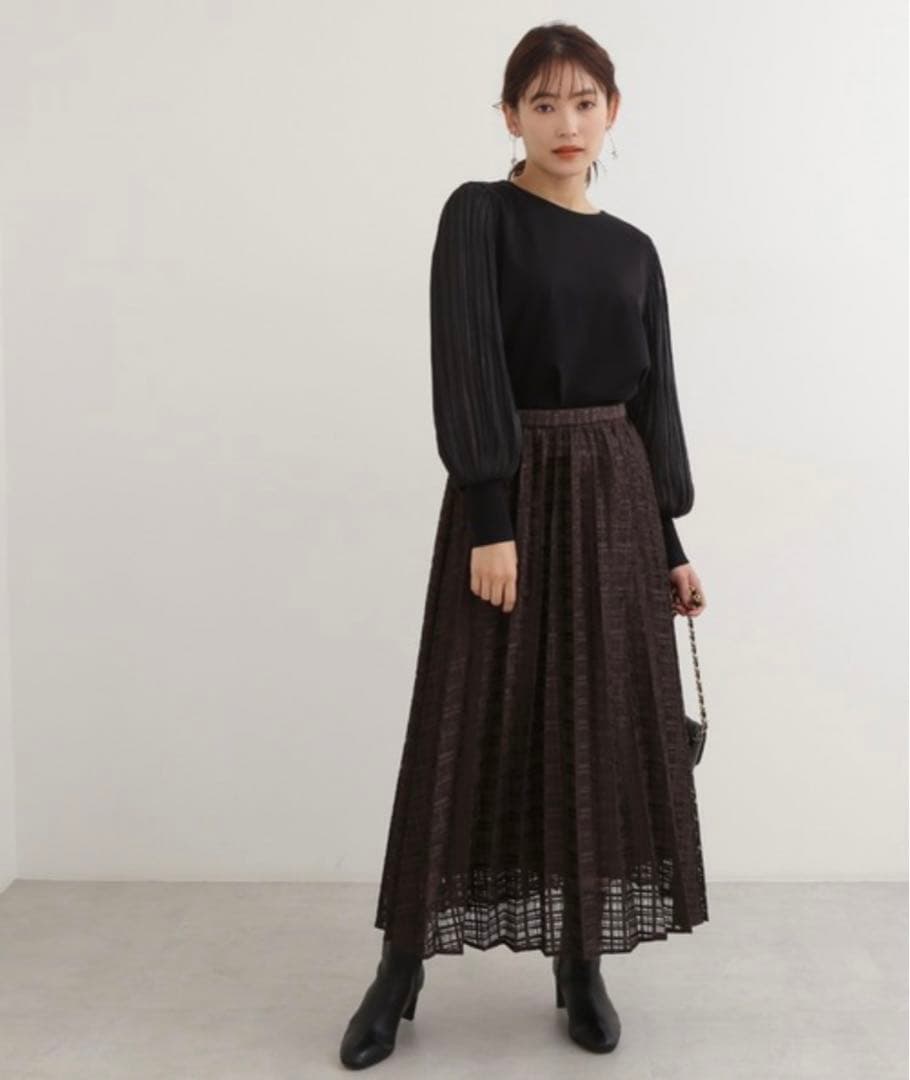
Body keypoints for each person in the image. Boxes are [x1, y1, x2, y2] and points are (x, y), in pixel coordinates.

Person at [340, 21, 709, 1070]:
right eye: (542, 103)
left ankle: (579, 964)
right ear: (509, 115)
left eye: (583, 101)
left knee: (593, 730)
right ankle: (400, 968)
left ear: (612, 112)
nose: (565, 122)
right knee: (466, 725)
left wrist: (670, 543)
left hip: (617, 503)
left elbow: (651, 405)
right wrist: (491, 519)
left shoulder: (634, 249)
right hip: (510, 493)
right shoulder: (479, 216)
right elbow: (466, 365)